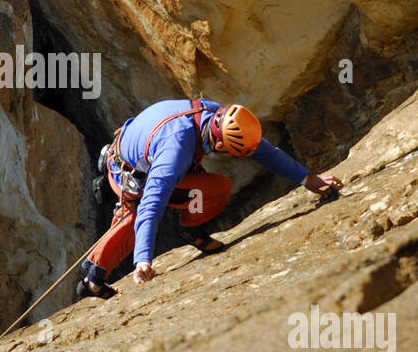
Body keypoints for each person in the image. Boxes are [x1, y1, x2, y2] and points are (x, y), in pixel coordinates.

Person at [76, 98, 342, 299]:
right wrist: (143, 259)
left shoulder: (216, 115)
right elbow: (152, 204)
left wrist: (308, 179)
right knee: (135, 215)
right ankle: (93, 279)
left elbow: (263, 151)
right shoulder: (176, 149)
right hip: (126, 170)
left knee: (216, 188)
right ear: (218, 143)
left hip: (143, 147)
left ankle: (190, 229)